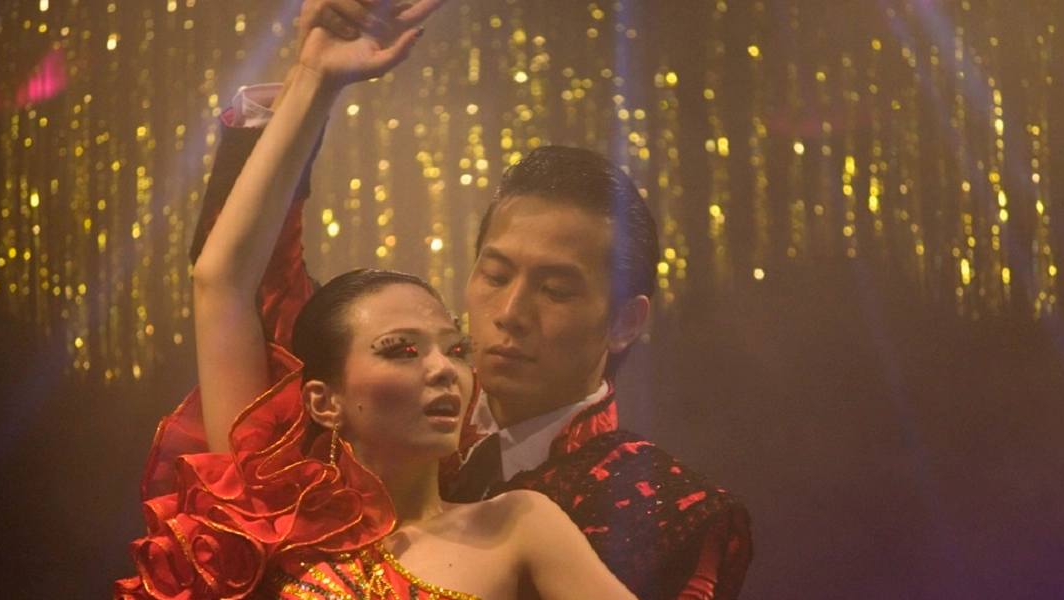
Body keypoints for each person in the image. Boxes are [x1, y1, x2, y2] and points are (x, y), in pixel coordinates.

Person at [174, 0, 754, 597]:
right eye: (496, 275)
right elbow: (237, 280)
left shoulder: (661, 507)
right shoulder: (335, 455)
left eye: (555, 289)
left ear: (625, 322)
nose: (507, 314)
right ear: (323, 398)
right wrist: (311, 79)